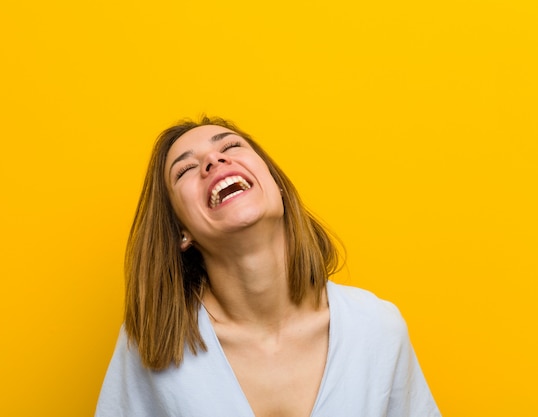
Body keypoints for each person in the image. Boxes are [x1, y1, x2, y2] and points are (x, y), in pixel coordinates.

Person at [95, 116, 441, 417]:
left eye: (230, 147)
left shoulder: (377, 329)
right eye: (185, 168)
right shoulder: (154, 344)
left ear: (277, 186)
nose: (214, 160)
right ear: (180, 232)